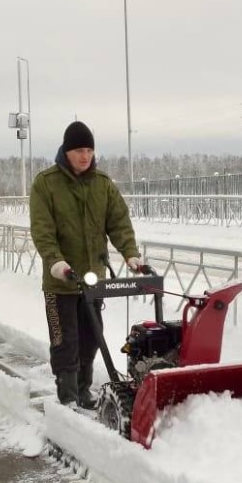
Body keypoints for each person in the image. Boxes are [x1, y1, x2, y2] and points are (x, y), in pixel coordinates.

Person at [29, 120, 143, 408]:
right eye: (79, 150)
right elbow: (43, 231)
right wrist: (56, 263)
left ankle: (83, 389)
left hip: (93, 279)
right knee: (64, 340)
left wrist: (130, 254)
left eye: (90, 150)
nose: (85, 156)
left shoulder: (102, 184)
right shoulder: (46, 183)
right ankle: (67, 395)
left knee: (92, 337)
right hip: (61, 281)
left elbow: (118, 223)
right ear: (66, 151)